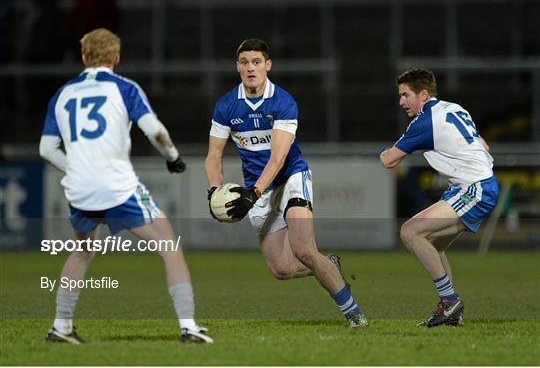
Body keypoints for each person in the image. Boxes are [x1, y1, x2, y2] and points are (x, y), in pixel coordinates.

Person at [39, 28, 213, 344]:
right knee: (169, 246)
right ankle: (189, 327)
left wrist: (75, 167)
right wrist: (173, 157)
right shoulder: (125, 88)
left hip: (79, 189)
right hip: (117, 187)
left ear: (84, 57)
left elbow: (46, 149)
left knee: (82, 250)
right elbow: (154, 130)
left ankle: (60, 327)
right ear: (116, 58)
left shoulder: (62, 94)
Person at [204, 38, 368, 328]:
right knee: (281, 269)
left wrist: (252, 194)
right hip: (259, 190)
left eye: (256, 62)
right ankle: (329, 264)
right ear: (237, 67)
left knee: (303, 249)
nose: (250, 68)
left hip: (291, 177)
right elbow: (213, 156)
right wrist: (215, 191)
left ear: (268, 65)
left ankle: (352, 311)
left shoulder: (283, 102)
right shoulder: (226, 106)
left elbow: (278, 158)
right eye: (244, 62)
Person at [379, 68, 499, 327]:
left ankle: (449, 301)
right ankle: (451, 310)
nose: (401, 102)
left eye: (405, 95)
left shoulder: (425, 121)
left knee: (410, 232)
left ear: (423, 95)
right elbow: (484, 145)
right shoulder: (454, 108)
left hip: (474, 188)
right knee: (432, 243)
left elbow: (389, 161)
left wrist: (382, 151)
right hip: (480, 184)